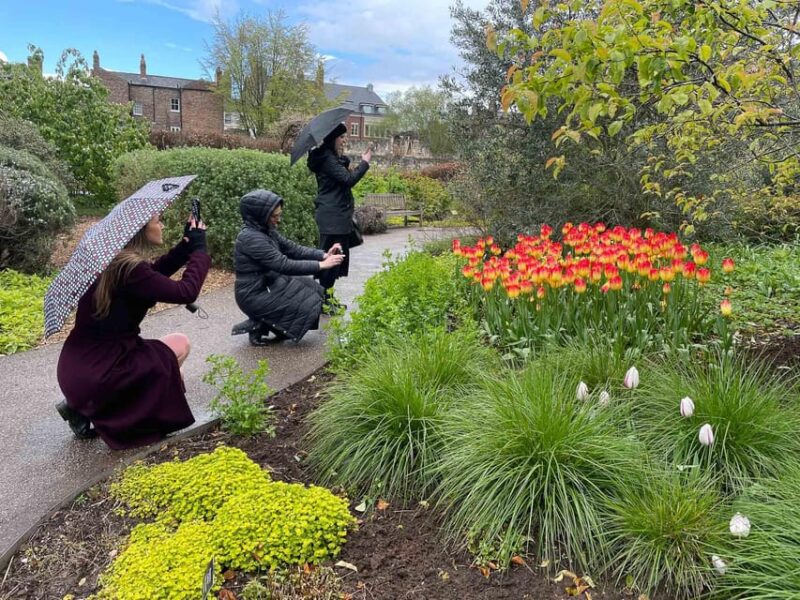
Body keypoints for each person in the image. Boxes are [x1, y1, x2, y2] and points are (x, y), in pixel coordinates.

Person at [55, 213, 210, 449]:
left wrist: (185, 247)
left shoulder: (113, 262)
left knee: (158, 352)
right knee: (178, 345)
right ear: (141, 229)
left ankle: (82, 406)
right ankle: (138, 412)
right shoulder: (129, 269)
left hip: (74, 371)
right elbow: (185, 292)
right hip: (102, 374)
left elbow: (154, 275)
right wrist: (200, 251)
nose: (162, 225)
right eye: (158, 222)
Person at [233, 189, 345, 346]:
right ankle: (258, 325)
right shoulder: (251, 238)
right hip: (253, 294)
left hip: (266, 285)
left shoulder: (266, 231)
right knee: (304, 300)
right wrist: (321, 265)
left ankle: (273, 325)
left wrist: (323, 255)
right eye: (274, 216)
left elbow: (294, 249)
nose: (278, 220)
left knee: (311, 289)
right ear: (259, 215)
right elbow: (283, 264)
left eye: (279, 215)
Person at [307, 123, 371, 311]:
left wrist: (345, 161)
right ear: (333, 138)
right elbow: (348, 180)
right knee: (330, 258)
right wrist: (365, 163)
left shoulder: (331, 159)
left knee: (336, 259)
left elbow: (342, 176)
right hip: (332, 217)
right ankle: (321, 301)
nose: (344, 140)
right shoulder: (327, 159)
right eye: (341, 137)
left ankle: (328, 297)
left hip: (337, 216)